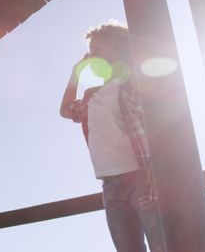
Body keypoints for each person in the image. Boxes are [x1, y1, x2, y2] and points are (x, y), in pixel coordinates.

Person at [59, 22, 165, 252]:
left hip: (142, 179)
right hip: (110, 185)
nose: (92, 56)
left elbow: (154, 130)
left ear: (119, 50)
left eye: (99, 50)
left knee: (162, 245)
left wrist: (155, 176)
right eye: (91, 51)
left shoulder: (132, 85)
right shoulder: (91, 96)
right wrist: (75, 74)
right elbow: (66, 110)